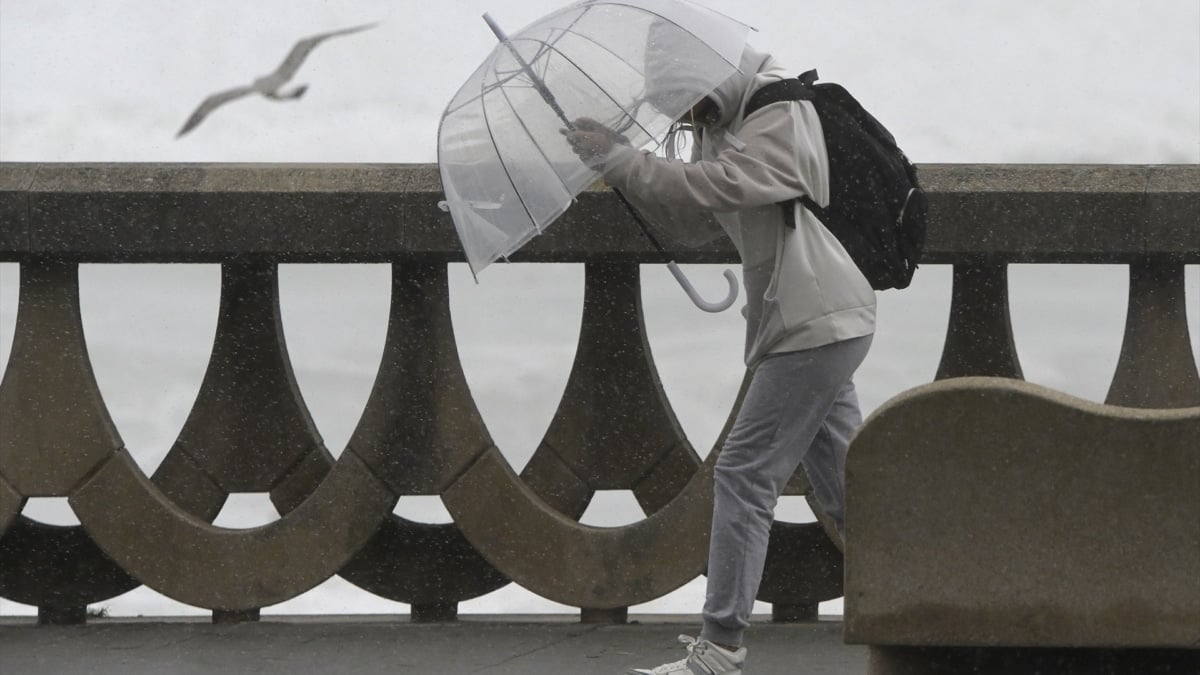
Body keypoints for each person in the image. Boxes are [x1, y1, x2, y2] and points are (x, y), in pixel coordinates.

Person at [563, 33, 875, 675]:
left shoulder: (781, 109)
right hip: (807, 321)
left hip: (814, 320)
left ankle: (721, 647)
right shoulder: (725, 119)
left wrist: (623, 162)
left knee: (744, 473)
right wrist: (612, 158)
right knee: (851, 492)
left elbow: (724, 185)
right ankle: (934, 599)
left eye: (680, 101)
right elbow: (693, 205)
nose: (680, 118)